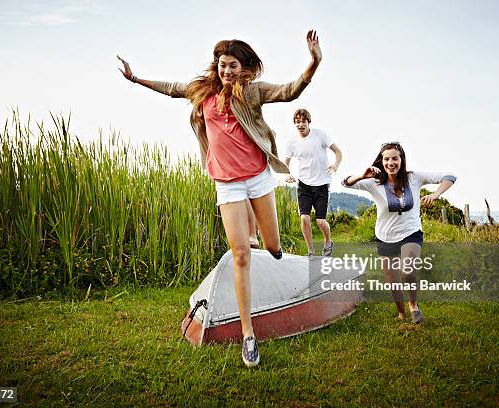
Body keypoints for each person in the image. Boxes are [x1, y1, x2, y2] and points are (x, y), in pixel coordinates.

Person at [118, 30, 322, 367]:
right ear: (218, 66)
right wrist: (135, 78)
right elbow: (171, 89)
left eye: (233, 66)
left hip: (258, 178)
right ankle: (248, 335)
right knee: (240, 254)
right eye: (222, 65)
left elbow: (289, 92)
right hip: (227, 184)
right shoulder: (204, 93)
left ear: (243, 69)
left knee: (273, 248)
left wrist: (313, 62)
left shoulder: (252, 92)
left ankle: (262, 237)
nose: (227, 71)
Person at [341, 142, 456, 324]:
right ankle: (401, 313)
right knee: (392, 281)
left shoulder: (414, 178)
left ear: (401, 159)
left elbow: (449, 176)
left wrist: (435, 195)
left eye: (395, 158)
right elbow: (345, 182)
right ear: (382, 161)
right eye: (386, 159)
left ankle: (413, 306)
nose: (390, 162)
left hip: (411, 232)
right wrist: (362, 175)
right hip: (385, 236)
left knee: (408, 270)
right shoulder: (374, 183)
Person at [284, 109, 342, 259]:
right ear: (295, 124)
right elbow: (285, 162)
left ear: (309, 122)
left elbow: (338, 151)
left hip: (322, 184)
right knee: (304, 218)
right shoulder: (292, 142)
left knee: (321, 221)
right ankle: (311, 251)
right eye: (297, 122)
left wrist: (335, 165)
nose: (300, 124)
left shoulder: (320, 135)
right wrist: (287, 173)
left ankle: (328, 242)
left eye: (303, 121)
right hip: (304, 184)